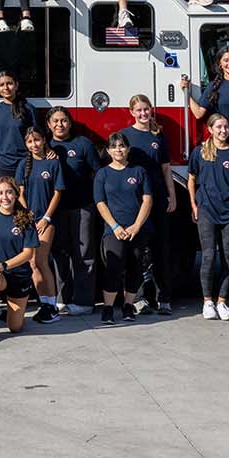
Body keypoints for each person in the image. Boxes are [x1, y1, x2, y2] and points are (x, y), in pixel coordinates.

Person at [187, 113, 229, 322]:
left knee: (227, 257)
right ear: (210, 129)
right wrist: (193, 204)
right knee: (208, 256)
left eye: (226, 127)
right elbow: (191, 179)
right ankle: (207, 302)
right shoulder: (200, 153)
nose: (223, 131)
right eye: (219, 127)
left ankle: (222, 302)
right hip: (206, 211)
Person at [121, 94, 177, 315]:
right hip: (136, 203)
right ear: (131, 113)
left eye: (146, 109)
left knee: (161, 249)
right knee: (139, 252)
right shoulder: (125, 136)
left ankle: (164, 298)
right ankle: (141, 298)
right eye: (139, 110)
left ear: (151, 110)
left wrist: (171, 196)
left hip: (159, 199)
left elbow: (165, 168)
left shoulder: (158, 135)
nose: (143, 113)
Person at [45, 106, 100, 315]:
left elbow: (98, 173)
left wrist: (94, 202)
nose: (60, 125)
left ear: (70, 123)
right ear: (49, 125)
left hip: (82, 207)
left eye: (64, 120)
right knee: (59, 254)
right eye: (55, 121)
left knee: (84, 254)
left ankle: (84, 302)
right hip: (56, 209)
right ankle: (61, 299)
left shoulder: (83, 144)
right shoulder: (46, 146)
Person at [93, 132, 152, 324]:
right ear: (109, 151)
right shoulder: (102, 174)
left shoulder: (139, 171)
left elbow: (147, 200)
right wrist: (115, 226)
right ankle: (108, 308)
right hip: (113, 231)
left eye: (122, 146)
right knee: (114, 267)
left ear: (128, 149)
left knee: (135, 267)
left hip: (137, 229)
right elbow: (100, 203)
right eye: (114, 146)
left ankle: (128, 306)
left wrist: (136, 226)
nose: (118, 149)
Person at [0, 176, 39, 344]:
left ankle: (9, 312)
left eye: (9, 192)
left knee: (15, 328)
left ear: (16, 195)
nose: (5, 197)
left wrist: (4, 265)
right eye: (0, 193)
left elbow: (28, 253)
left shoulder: (26, 218)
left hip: (19, 276)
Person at [14, 128, 64, 323]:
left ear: (44, 140)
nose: (33, 144)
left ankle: (53, 305)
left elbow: (57, 193)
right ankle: (44, 303)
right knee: (32, 262)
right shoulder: (23, 164)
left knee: (42, 260)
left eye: (37, 140)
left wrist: (47, 218)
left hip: (46, 221)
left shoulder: (53, 163)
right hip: (29, 222)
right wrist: (27, 215)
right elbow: (19, 192)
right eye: (29, 142)